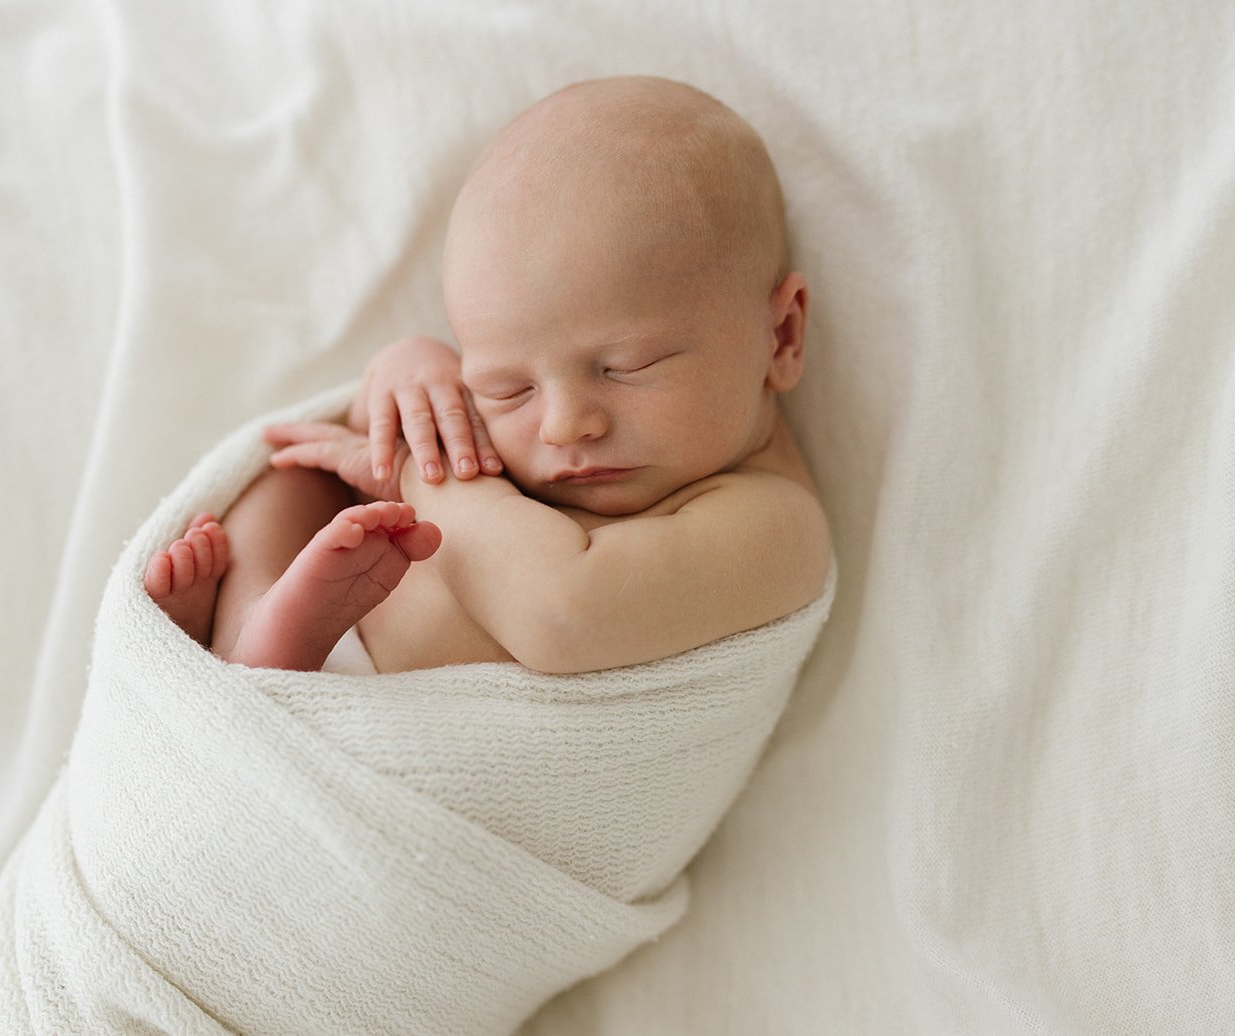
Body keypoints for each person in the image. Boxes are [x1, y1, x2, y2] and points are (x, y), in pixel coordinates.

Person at [144, 75, 833, 675]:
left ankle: (259, 660)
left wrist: (418, 475)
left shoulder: (776, 524)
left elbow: (562, 611)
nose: (565, 425)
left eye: (626, 367)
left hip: (407, 736)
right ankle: (247, 633)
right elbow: (364, 453)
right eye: (510, 387)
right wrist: (407, 380)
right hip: (330, 640)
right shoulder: (529, 444)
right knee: (289, 466)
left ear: (782, 336)